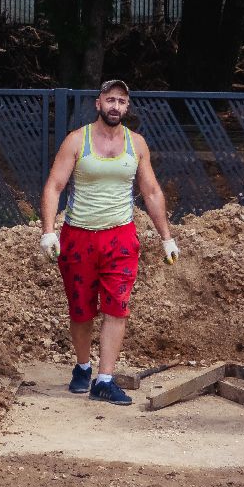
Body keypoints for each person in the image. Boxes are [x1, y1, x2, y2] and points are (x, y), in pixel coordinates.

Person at [39, 78, 179, 406]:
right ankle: (83, 366)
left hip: (121, 237)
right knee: (82, 309)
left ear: (127, 108)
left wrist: (167, 238)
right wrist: (48, 231)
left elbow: (152, 191)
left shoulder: (137, 144)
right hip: (79, 236)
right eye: (110, 99)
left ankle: (104, 379)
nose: (115, 106)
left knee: (117, 305)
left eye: (121, 101)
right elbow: (54, 186)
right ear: (98, 103)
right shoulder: (77, 141)